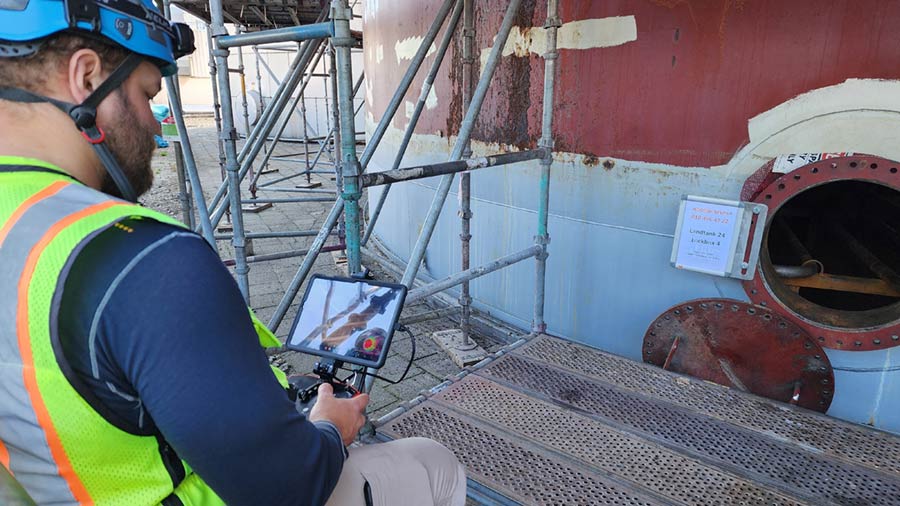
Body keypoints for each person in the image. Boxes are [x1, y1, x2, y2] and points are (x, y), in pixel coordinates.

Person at [0, 1, 466, 504]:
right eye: (145, 95)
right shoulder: (143, 259)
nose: (158, 130)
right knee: (432, 461)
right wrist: (331, 428)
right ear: (86, 77)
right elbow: (292, 484)